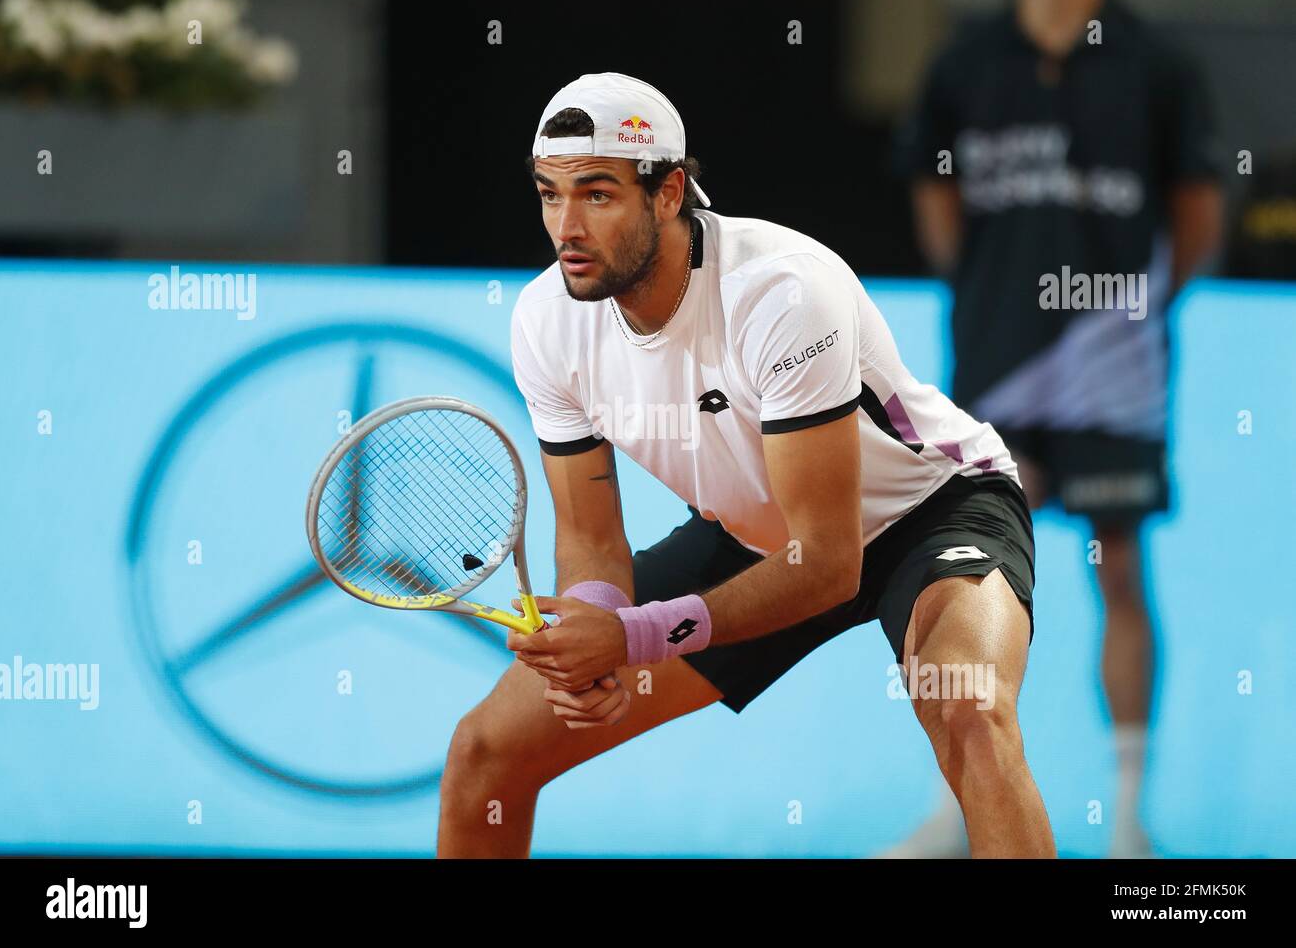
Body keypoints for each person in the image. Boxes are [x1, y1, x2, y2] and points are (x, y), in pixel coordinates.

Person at [437, 72, 1055, 858]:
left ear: (670, 192)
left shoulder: (781, 291)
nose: (567, 225)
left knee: (970, 710)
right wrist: (595, 624)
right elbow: (593, 538)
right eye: (550, 194)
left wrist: (632, 638)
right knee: (483, 757)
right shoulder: (545, 321)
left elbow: (828, 563)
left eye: (597, 194)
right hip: (752, 540)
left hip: (930, 512)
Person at [893, 0, 1223, 857]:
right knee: (966, 573)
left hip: (1114, 371)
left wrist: (1128, 322)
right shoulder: (967, 59)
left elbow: (1197, 210)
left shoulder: (1156, 62)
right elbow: (935, 194)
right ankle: (954, 813)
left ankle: (1127, 824)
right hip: (996, 362)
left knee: (1118, 568)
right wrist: (986, 297)